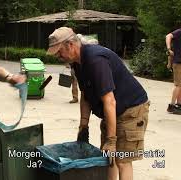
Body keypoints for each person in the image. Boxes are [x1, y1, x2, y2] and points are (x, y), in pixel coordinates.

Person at [47, 27, 149, 180]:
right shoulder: (77, 63)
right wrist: (83, 126)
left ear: (70, 45)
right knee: (108, 158)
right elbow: (85, 95)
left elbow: (109, 100)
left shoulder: (95, 60)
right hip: (114, 110)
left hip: (131, 110)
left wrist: (111, 140)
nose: (58, 56)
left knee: (122, 160)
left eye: (59, 51)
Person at [166, 28, 181, 114]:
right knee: (178, 85)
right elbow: (168, 36)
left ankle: (179, 104)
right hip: (178, 62)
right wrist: (169, 49)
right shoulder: (179, 32)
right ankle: (171, 106)